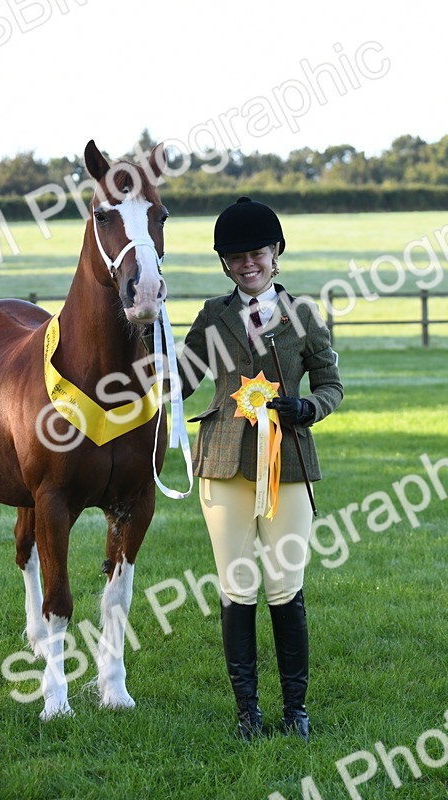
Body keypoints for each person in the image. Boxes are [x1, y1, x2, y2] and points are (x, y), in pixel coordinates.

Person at [178, 196, 344, 740]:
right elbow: (180, 383)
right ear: (224, 263)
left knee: (285, 586)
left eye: (257, 253)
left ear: (276, 254)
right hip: (223, 462)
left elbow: (330, 384)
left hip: (289, 461)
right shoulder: (213, 315)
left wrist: (309, 409)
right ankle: (247, 711)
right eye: (235, 256)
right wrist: (150, 352)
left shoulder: (304, 314)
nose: (247, 264)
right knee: (236, 586)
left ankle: (295, 709)